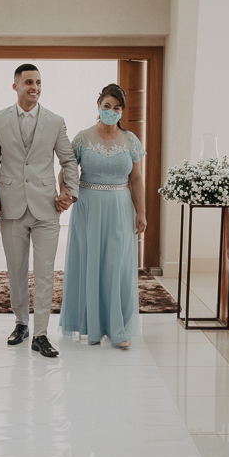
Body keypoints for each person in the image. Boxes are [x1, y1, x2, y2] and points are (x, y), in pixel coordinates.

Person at [0, 64, 80, 358]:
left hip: (47, 208)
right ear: (16, 86)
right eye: (28, 82)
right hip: (11, 206)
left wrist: (69, 193)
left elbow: (69, 161)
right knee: (16, 271)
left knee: (46, 272)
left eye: (38, 82)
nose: (34, 87)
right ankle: (21, 323)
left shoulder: (55, 121)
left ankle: (40, 334)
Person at [58, 84, 146, 348]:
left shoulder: (131, 140)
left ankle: (118, 328)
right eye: (106, 106)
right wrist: (64, 192)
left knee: (116, 265)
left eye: (116, 108)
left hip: (120, 208)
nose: (111, 111)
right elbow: (66, 170)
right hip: (88, 207)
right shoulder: (82, 138)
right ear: (98, 106)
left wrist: (141, 211)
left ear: (122, 111)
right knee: (90, 262)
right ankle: (90, 325)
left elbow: (137, 178)